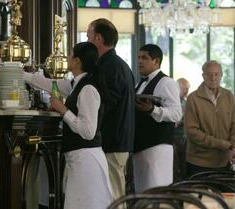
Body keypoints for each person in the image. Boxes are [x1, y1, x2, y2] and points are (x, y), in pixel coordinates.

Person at [24, 42, 113, 209]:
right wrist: (19, 74)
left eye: (70, 55)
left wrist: (63, 110)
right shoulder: (76, 84)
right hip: (79, 158)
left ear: (77, 61)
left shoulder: (88, 89)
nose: (68, 58)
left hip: (87, 159)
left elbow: (88, 131)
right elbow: (48, 83)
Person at [86, 18, 135, 202]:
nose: (87, 40)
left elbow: (106, 103)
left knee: (114, 195)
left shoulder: (110, 66)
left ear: (98, 38)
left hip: (113, 140)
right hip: (116, 140)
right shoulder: (115, 64)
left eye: (88, 36)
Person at [133, 44, 182, 191]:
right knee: (143, 195)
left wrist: (152, 110)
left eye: (145, 58)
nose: (140, 61)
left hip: (158, 147)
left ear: (156, 61)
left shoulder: (167, 82)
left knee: (157, 193)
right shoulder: (140, 83)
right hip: (141, 147)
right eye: (139, 57)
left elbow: (176, 113)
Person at [185, 60, 235, 177]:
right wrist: (222, 144)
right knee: (199, 196)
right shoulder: (193, 98)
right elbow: (192, 132)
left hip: (224, 162)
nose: (213, 78)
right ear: (203, 76)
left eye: (216, 74)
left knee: (226, 196)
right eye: (209, 74)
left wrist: (234, 147)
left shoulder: (229, 96)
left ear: (221, 76)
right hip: (198, 163)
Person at [173, 78, 190, 181]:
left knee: (184, 164)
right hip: (172, 137)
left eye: (188, 89)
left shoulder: (187, 103)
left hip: (185, 137)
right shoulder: (171, 101)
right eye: (184, 89)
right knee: (174, 165)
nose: (186, 91)